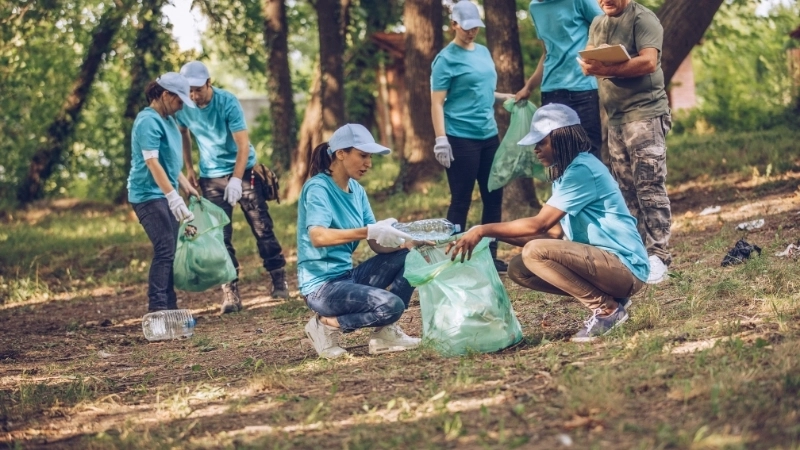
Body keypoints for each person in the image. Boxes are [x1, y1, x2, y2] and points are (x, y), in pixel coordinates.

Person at [448, 104, 649, 342]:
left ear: (561, 138)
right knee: (519, 269)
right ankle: (612, 301)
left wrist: (482, 229)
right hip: (607, 266)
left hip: (625, 268)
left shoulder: (582, 169)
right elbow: (553, 233)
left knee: (533, 252)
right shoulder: (564, 175)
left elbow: (540, 225)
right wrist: (494, 235)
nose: (535, 150)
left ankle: (607, 310)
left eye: (541, 142)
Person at [298, 124, 423, 359]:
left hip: (347, 277)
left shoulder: (357, 190)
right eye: (363, 155)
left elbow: (376, 243)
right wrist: (368, 230)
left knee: (411, 256)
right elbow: (318, 236)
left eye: (370, 157)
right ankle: (326, 324)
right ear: (340, 153)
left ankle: (385, 334)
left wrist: (408, 242)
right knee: (391, 306)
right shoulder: (318, 188)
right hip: (321, 288)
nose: (369, 163)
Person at [176, 61, 289, 314]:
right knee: (220, 236)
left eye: (198, 89)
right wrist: (190, 167)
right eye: (189, 90)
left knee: (262, 227)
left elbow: (243, 145)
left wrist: (237, 179)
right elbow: (184, 133)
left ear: (209, 83)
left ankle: (278, 277)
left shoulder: (227, 102)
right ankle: (230, 292)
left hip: (244, 170)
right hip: (210, 177)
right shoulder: (184, 105)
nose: (194, 95)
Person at [578, 0, 672, 284]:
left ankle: (659, 256)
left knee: (649, 185)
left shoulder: (643, 18)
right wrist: (589, 66)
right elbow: (590, 62)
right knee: (625, 189)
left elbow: (648, 61)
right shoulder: (598, 23)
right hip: (615, 119)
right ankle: (636, 254)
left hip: (645, 116)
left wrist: (605, 69)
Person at [430, 0, 512, 274]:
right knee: (461, 199)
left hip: (488, 135)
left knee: (493, 198)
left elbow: (482, 89)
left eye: (475, 26)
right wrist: (441, 139)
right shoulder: (445, 59)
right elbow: (437, 102)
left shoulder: (484, 52)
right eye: (466, 27)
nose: (471, 32)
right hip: (460, 137)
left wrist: (503, 98)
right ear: (454, 25)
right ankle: (453, 259)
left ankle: (490, 255)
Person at [127, 72, 200, 312]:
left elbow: (168, 162)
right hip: (147, 195)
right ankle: (158, 309)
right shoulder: (148, 120)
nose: (181, 106)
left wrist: (185, 184)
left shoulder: (168, 119)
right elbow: (152, 162)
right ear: (166, 95)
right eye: (179, 100)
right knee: (165, 248)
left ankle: (170, 307)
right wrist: (172, 196)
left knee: (171, 250)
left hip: (164, 192)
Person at [514, 0, 604, 159]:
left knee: (589, 154)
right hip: (551, 93)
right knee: (556, 157)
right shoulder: (535, 7)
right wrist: (528, 87)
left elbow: (608, 27)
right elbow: (547, 52)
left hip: (582, 89)